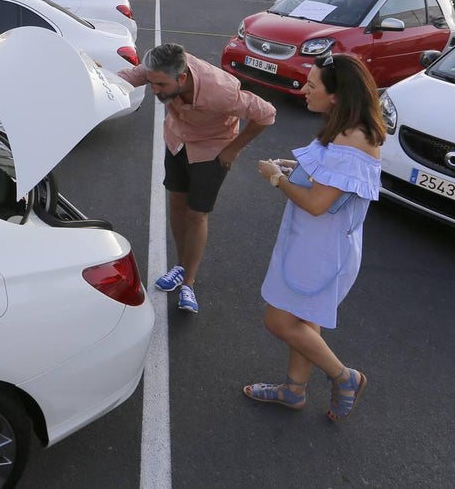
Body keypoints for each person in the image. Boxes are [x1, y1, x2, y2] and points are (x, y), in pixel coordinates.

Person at [243, 53, 382, 421]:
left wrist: (277, 178)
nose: (303, 89)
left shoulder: (352, 140)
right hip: (316, 245)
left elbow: (318, 204)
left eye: (312, 85)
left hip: (319, 251)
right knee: (304, 321)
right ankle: (293, 390)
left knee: (280, 321)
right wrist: (297, 169)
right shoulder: (345, 128)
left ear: (336, 95)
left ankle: (344, 377)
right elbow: (328, 180)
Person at [119, 43, 275, 313]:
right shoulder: (158, 67)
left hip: (212, 150)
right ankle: (180, 266)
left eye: (161, 86)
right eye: (152, 83)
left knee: (197, 215)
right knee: (177, 206)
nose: (154, 90)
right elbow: (128, 78)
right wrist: (100, 81)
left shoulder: (222, 92)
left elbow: (266, 114)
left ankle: (188, 283)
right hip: (178, 142)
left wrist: (233, 149)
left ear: (182, 78)